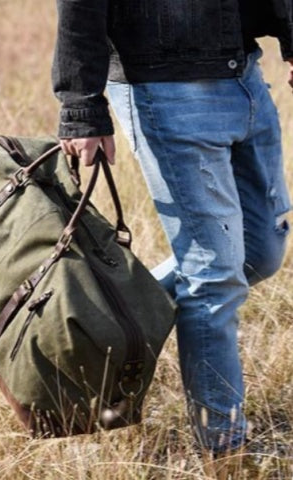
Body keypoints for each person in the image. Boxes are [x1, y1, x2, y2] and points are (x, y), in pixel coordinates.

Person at [52, 0, 293, 476]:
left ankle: (104, 329)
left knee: (260, 253)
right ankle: (226, 450)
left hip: (243, 75)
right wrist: (82, 106)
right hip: (163, 86)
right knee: (215, 276)